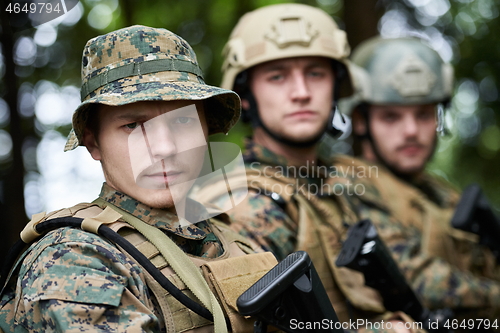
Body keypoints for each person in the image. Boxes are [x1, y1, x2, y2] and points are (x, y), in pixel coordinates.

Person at [0, 25, 281, 333]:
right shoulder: (74, 258)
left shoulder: (237, 243)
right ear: (94, 142)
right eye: (133, 125)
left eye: (183, 120)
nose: (165, 147)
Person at [193, 4, 423, 332]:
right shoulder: (244, 201)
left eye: (315, 73)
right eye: (278, 76)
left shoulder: (333, 185)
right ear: (245, 96)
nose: (301, 93)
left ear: (336, 87)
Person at [333, 36, 500, 322]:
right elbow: (417, 277)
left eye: (423, 114)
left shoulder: (440, 192)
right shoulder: (348, 184)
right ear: (361, 121)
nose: (411, 130)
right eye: (391, 117)